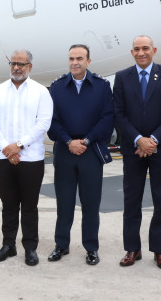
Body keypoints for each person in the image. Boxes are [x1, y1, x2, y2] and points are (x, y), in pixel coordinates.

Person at [113, 36, 161, 270]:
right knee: (131, 199)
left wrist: (153, 140)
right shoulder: (122, 77)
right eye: (137, 49)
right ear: (131, 52)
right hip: (133, 148)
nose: (141, 52)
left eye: (145, 48)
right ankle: (132, 248)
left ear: (154, 50)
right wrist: (138, 139)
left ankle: (159, 250)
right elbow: (118, 113)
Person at [47, 44, 114, 266]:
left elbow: (107, 118)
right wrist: (68, 141)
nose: (74, 62)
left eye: (79, 58)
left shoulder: (102, 86)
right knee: (64, 203)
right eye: (71, 58)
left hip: (90, 151)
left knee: (91, 204)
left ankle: (91, 247)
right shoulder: (57, 87)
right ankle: (61, 244)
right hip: (65, 151)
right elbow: (52, 121)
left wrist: (86, 140)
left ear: (88, 61)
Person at [0, 49, 53, 266]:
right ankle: (8, 245)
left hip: (31, 159)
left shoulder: (40, 92)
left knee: (30, 206)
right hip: (5, 158)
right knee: (8, 205)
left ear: (29, 67)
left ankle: (30, 248)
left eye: (21, 64)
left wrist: (19, 145)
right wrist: (6, 148)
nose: (16, 67)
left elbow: (43, 123)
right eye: (13, 63)